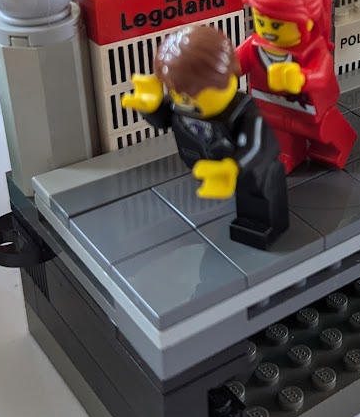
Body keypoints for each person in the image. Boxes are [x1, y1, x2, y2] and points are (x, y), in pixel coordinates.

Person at [121, 25, 290, 251]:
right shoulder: (181, 105)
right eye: (177, 93)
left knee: (258, 193)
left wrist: (233, 167)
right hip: (213, 162)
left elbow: (258, 146)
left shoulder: (245, 112)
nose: (185, 102)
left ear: (226, 79)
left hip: (250, 168)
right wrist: (150, 108)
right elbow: (164, 120)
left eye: (193, 94)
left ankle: (264, 225)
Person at [236, 0, 356, 172]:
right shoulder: (254, 44)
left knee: (323, 135)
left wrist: (300, 78)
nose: (267, 30)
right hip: (270, 106)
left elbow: (322, 73)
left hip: (307, 108)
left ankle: (335, 147)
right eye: (260, 21)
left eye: (277, 25)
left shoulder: (313, 48)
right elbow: (236, 64)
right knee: (280, 135)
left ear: (307, 20)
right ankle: (287, 155)